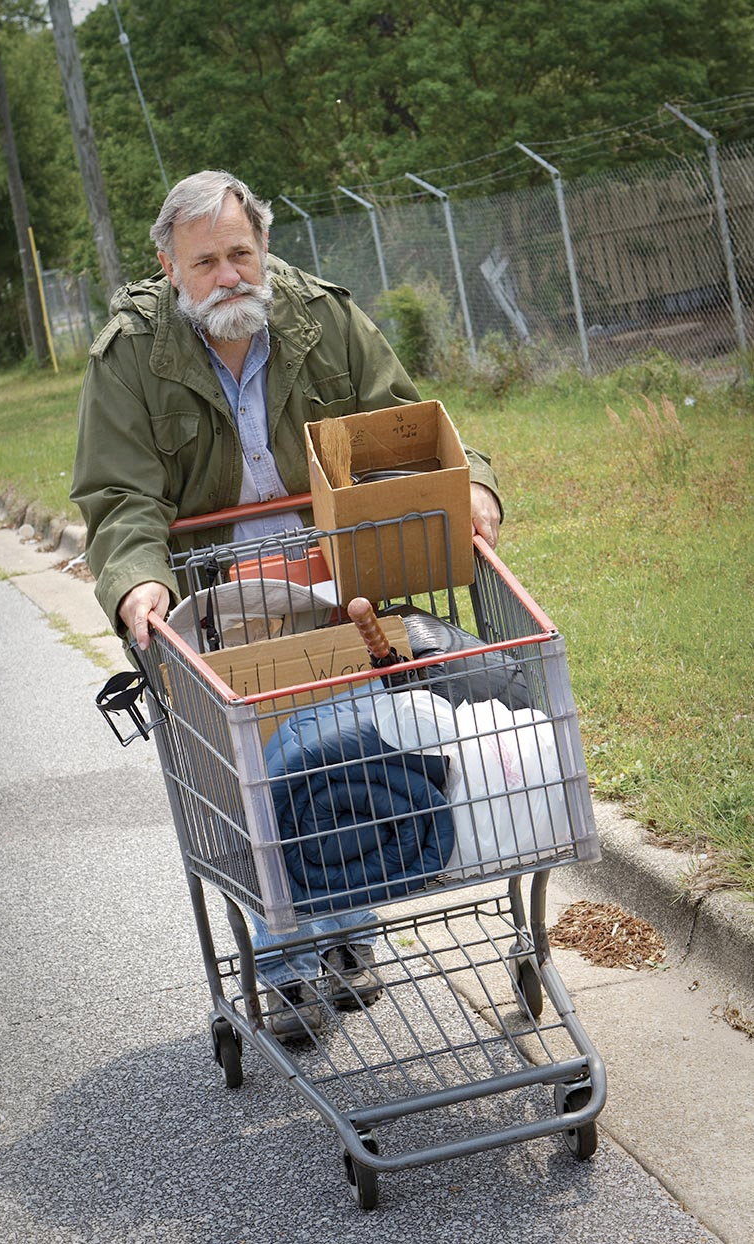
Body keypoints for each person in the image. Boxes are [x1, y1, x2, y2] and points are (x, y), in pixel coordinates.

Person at [72, 169, 502, 1042]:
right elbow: (121, 497)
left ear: (262, 245)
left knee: (340, 760)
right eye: (206, 263)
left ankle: (345, 931)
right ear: (168, 264)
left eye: (242, 252)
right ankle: (294, 965)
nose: (229, 276)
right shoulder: (130, 354)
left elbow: (402, 424)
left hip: (335, 591)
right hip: (216, 604)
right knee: (260, 768)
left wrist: (472, 491)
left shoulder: (321, 318)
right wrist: (137, 583)